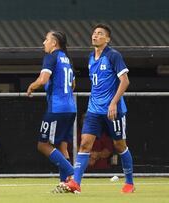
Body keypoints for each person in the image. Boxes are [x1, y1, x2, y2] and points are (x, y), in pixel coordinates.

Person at [63, 24, 134, 193]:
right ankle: (76, 183)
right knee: (85, 143)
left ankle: (129, 182)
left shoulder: (113, 55)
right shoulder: (90, 57)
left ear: (107, 39)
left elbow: (125, 81)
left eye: (100, 34)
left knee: (119, 145)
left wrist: (113, 103)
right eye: (94, 33)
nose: (95, 36)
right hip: (94, 110)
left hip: (113, 110)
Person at [27, 31, 76, 193]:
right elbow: (73, 84)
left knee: (43, 145)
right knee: (62, 146)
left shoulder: (51, 57)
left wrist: (31, 86)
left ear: (54, 43)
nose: (43, 42)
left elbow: (43, 80)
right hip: (70, 107)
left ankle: (72, 173)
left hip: (57, 108)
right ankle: (66, 184)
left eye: (46, 39)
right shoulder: (67, 59)